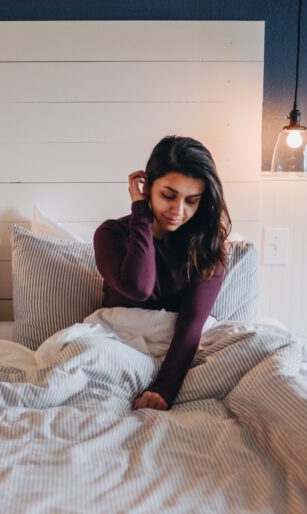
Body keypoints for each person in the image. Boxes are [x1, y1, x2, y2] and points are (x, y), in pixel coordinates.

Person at [93, 136, 231, 410]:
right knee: (78, 356)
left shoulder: (207, 249)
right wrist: (141, 213)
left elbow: (191, 326)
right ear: (148, 188)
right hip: (120, 344)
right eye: (168, 195)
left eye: (192, 200)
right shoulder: (110, 235)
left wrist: (164, 389)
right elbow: (138, 287)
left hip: (184, 351)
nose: (178, 211)